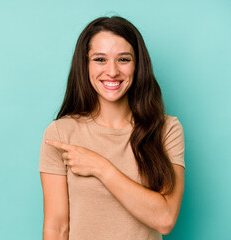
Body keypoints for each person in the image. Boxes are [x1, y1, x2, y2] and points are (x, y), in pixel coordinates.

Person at [39, 16, 185, 240]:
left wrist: (101, 167)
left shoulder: (166, 129)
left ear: (138, 65)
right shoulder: (60, 133)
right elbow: (57, 227)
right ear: (85, 64)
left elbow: (165, 219)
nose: (112, 71)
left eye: (124, 59)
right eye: (100, 59)